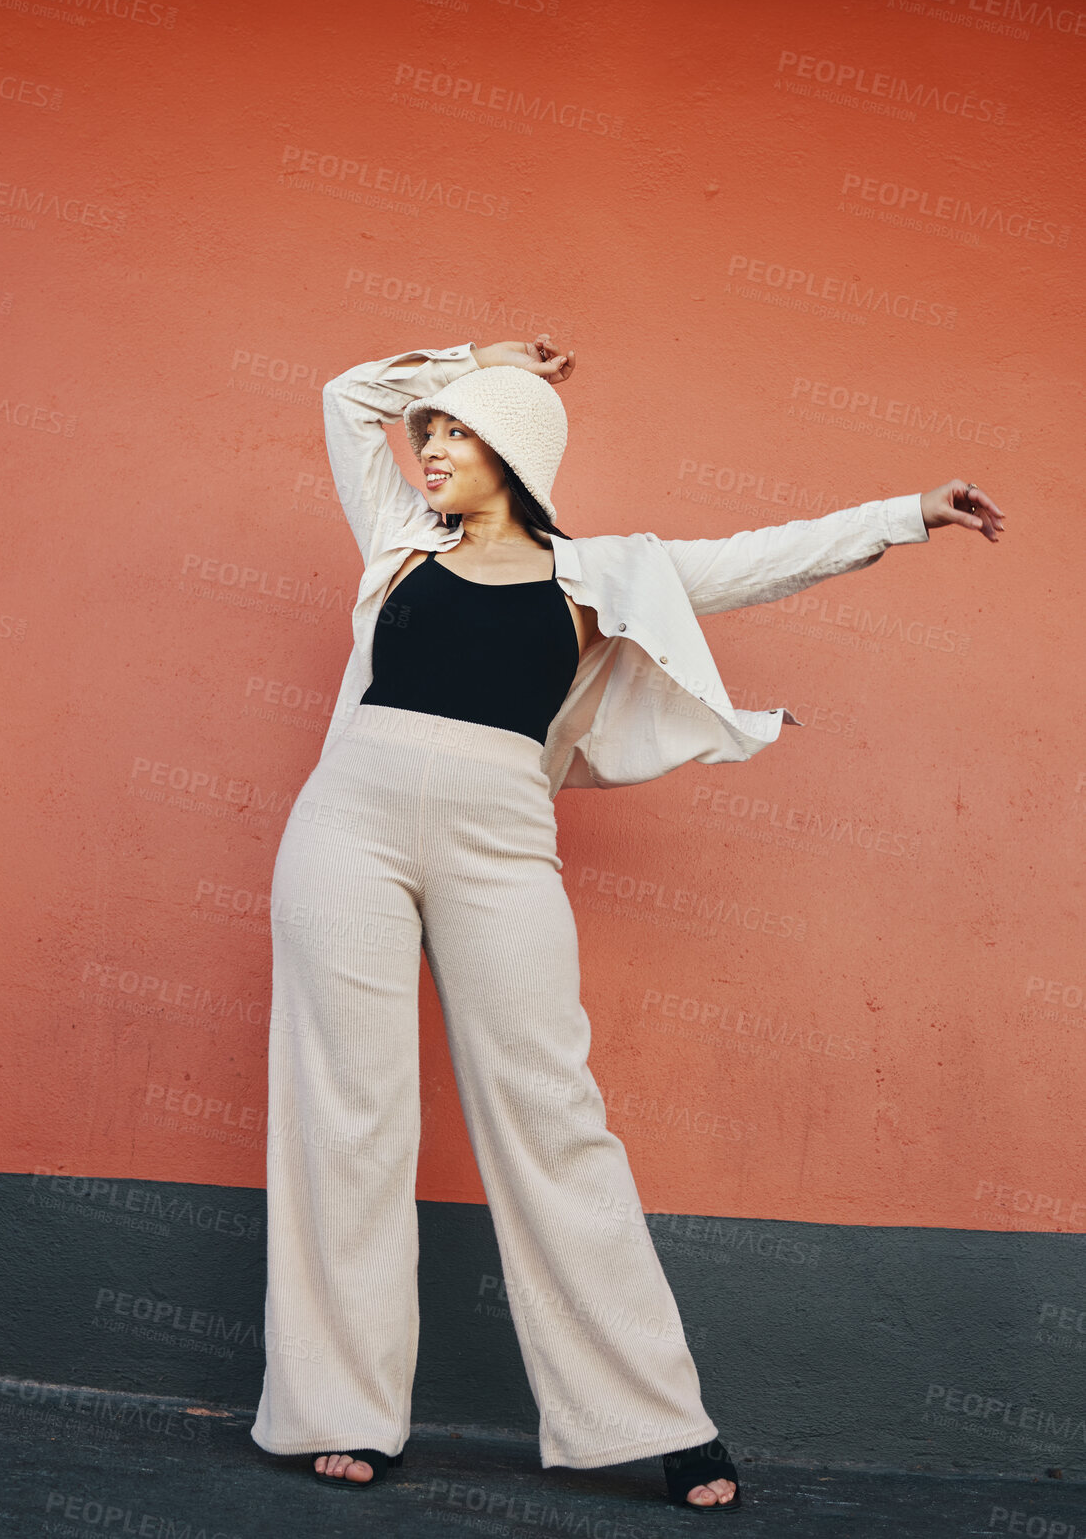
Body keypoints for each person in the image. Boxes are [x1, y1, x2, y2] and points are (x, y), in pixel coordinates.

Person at [250, 337, 1004, 1508]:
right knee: (345, 1110)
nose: (430, 447)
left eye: (456, 430)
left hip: (502, 841)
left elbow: (763, 561)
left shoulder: (605, 574)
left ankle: (651, 1413)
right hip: (343, 827)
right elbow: (347, 393)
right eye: (430, 433)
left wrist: (907, 511)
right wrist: (481, 357)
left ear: (514, 452)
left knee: (554, 1113)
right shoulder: (400, 540)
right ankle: (343, 1404)